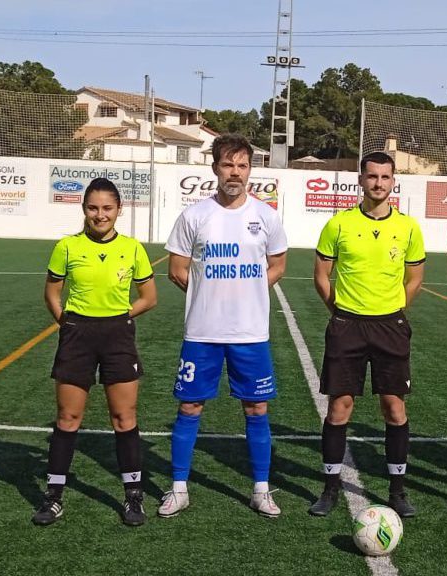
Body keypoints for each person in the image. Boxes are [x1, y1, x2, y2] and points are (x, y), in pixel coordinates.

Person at [159, 134, 288, 518]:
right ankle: (179, 487)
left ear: (251, 170)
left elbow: (278, 264)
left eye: (243, 165)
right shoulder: (195, 216)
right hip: (202, 332)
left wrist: (247, 289)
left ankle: (261, 490)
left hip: (250, 334)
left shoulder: (265, 216)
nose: (236, 172)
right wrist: (211, 291)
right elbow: (177, 270)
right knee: (190, 405)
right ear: (215, 167)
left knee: (256, 408)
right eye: (228, 165)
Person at [34, 177, 158, 527]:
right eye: (93, 208)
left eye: (107, 208)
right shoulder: (67, 247)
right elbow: (52, 294)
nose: (99, 215)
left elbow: (149, 298)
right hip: (78, 337)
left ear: (119, 209)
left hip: (118, 337)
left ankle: (133, 497)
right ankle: (54, 496)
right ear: (83, 209)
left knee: (124, 418)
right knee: (68, 419)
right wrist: (69, 324)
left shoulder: (133, 248)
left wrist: (121, 317)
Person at [309, 151, 425, 518]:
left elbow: (415, 277)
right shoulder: (338, 224)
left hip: (390, 326)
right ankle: (329, 488)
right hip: (348, 326)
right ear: (360, 180)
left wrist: (394, 312)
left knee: (394, 407)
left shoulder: (407, 227)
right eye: (372, 176)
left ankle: (397, 490)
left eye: (385, 177)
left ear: (393, 182)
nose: (378, 183)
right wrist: (342, 312)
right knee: (339, 407)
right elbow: (321, 276)